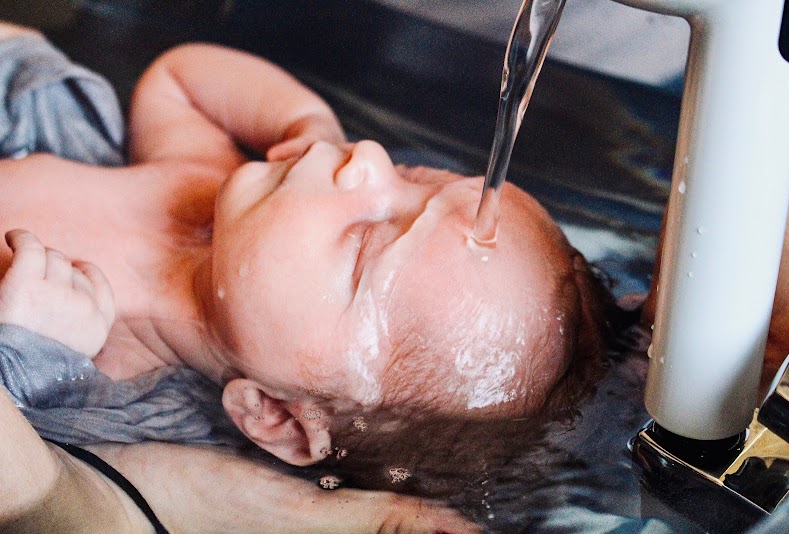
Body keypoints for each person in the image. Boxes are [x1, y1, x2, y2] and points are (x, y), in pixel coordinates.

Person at [0, 18, 610, 529]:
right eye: (413, 176)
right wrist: (304, 123)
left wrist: (28, 350)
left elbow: (29, 455)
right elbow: (180, 79)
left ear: (277, 417)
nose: (366, 160)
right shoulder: (205, 180)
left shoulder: (125, 395)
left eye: (366, 240)